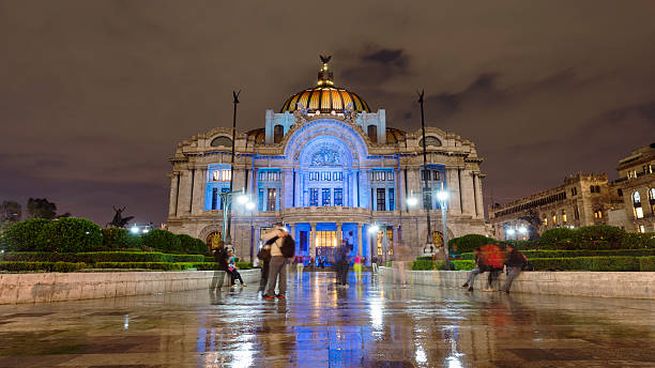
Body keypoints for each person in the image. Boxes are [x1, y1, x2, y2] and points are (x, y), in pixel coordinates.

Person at [262, 223, 291, 300]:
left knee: (272, 275)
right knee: (283, 276)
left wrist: (270, 231)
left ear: (276, 226)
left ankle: (270, 293)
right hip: (284, 257)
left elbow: (264, 237)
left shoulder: (275, 232)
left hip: (276, 256)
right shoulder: (286, 233)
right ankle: (282, 293)